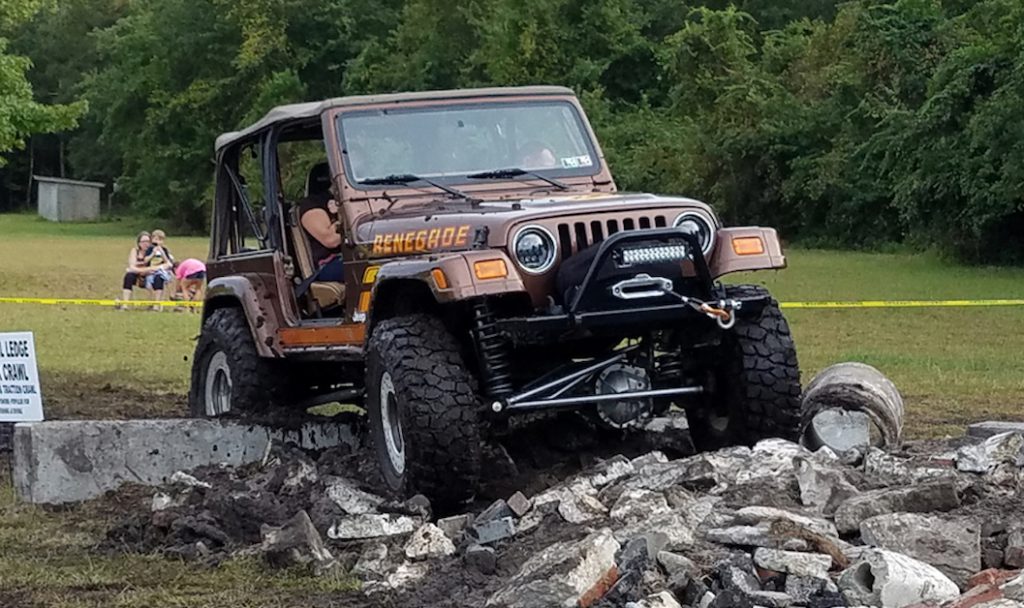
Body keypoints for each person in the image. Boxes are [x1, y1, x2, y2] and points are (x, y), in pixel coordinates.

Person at [299, 163, 344, 282]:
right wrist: (343, 213)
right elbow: (330, 239)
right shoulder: (312, 204)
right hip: (331, 263)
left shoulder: (367, 200)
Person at [118, 231, 153, 309]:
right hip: (137, 274)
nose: (145, 244)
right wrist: (143, 270)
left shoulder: (153, 252)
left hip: (149, 275)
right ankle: (125, 304)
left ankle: (153, 304)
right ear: (139, 243)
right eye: (143, 241)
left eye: (148, 241)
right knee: (128, 276)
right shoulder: (135, 251)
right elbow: (132, 266)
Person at [143, 229, 174, 306]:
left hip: (161, 271)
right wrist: (153, 253)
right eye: (156, 239)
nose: (158, 242)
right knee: (149, 284)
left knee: (159, 279)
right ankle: (151, 301)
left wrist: (162, 253)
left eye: (160, 240)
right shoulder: (150, 249)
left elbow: (168, 262)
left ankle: (157, 303)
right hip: (151, 270)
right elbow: (146, 260)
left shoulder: (164, 250)